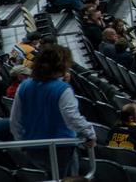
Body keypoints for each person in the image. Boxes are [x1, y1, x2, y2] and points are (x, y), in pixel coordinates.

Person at [10, 44, 97, 177]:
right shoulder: (62, 89)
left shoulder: (24, 86)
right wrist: (89, 133)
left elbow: (15, 121)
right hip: (61, 148)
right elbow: (72, 118)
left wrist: (22, 142)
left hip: (33, 147)